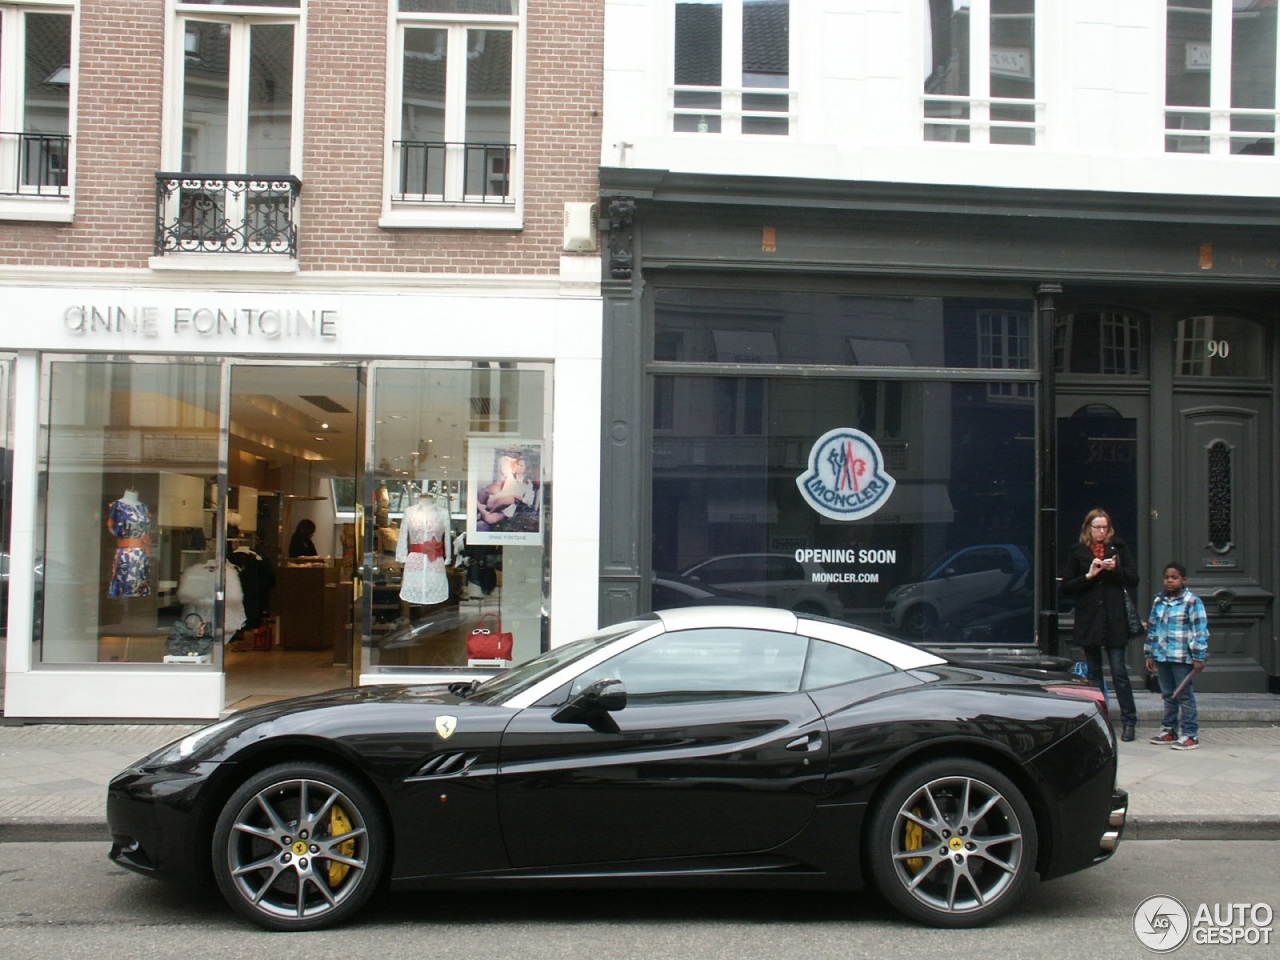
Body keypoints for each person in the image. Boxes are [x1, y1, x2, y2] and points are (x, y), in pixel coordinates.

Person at [1059, 508, 1140, 741]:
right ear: (1089, 529)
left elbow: (1133, 578)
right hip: (1090, 619)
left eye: (1105, 527)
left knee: (1119, 671)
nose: (1102, 532)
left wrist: (1116, 570)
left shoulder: (1119, 548)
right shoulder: (1078, 552)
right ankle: (1098, 721)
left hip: (1114, 619)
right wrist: (1089, 575)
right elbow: (1067, 586)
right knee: (1094, 673)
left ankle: (1129, 720)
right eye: (1098, 527)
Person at [1144, 562, 1209, 750]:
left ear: (1183, 580)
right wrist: (1150, 653)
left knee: (1184, 695)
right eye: (1167, 578)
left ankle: (1190, 734)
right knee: (1168, 694)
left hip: (1182, 657)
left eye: (1174, 577)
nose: (1170, 581)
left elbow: (1200, 631)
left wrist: (1199, 656)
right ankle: (1169, 729)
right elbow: (1153, 628)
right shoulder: (1159, 601)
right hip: (1163, 655)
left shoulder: (1192, 601)